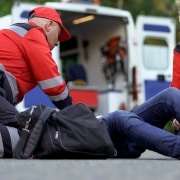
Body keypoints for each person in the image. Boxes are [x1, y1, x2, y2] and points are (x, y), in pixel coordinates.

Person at [0, 6, 72, 127]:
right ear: (49, 25)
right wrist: (72, 112)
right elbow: (53, 84)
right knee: (23, 134)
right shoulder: (34, 33)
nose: (57, 42)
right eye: (58, 34)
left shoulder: (14, 34)